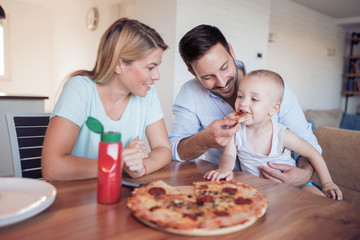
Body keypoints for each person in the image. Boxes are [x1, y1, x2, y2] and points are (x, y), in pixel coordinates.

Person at [170, 24, 321, 188]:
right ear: (193, 73)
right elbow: (174, 150)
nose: (222, 82)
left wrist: (304, 174)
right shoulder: (190, 94)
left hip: (287, 185)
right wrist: (204, 140)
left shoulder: (273, 87)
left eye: (224, 67)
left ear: (231, 52)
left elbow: (307, 141)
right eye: (208, 77)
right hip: (228, 186)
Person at [42, 18, 171, 181]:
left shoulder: (147, 93)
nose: (157, 76)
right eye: (150, 67)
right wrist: (116, 162)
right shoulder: (80, 89)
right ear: (119, 65)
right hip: (77, 196)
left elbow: (163, 148)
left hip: (122, 193)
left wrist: (142, 167)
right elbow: (53, 167)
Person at [204, 70, 342, 200]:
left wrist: (327, 184)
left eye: (254, 99)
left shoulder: (282, 134)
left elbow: (313, 154)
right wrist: (224, 169)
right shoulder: (235, 130)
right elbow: (228, 156)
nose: (243, 103)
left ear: (273, 109)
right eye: (240, 96)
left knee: (322, 205)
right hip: (259, 190)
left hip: (297, 186)